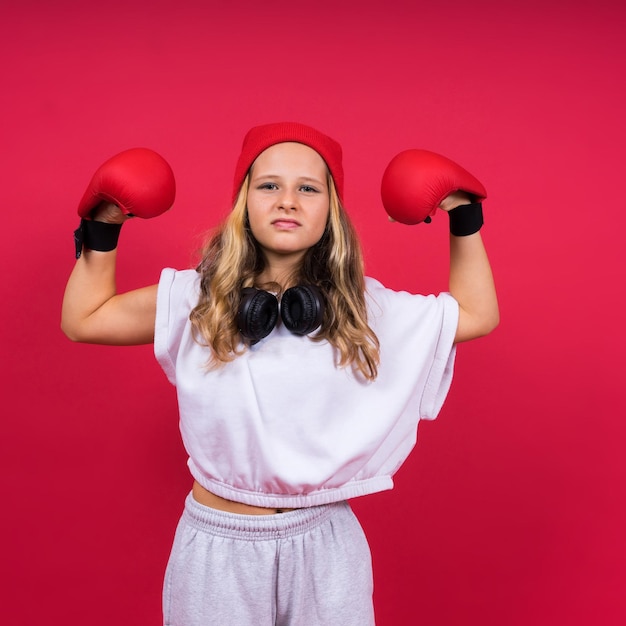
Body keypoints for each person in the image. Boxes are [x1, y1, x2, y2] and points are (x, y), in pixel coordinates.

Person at [62, 122, 499, 626]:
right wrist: (104, 222)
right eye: (269, 185)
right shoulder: (194, 299)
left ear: (329, 212)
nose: (287, 200)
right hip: (217, 546)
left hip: (325, 541)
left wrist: (463, 216)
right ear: (244, 201)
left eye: (307, 188)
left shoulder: (365, 309)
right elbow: (84, 319)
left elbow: (476, 314)